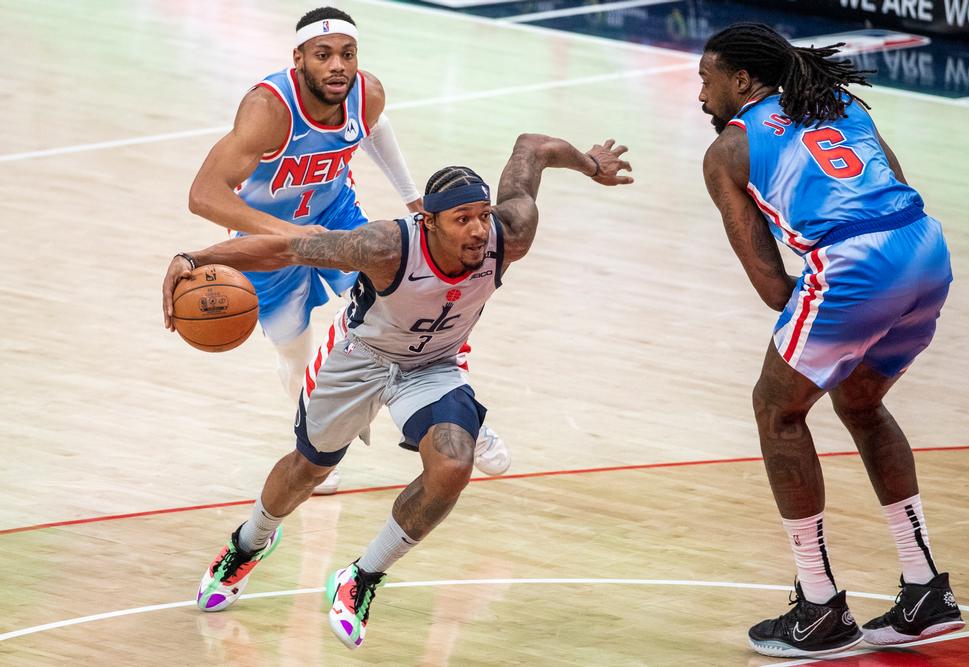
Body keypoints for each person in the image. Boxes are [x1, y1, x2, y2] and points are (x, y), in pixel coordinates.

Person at [162, 133, 633, 649]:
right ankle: (248, 544)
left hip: (433, 365)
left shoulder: (509, 235)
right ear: (429, 223)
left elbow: (532, 149)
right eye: (462, 220)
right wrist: (194, 256)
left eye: (482, 215)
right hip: (359, 360)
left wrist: (590, 165)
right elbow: (288, 246)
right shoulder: (385, 246)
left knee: (454, 464)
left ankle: (361, 577)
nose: (478, 230)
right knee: (309, 469)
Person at [698, 23, 964, 658]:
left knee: (776, 408)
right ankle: (925, 590)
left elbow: (770, 287)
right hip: (926, 249)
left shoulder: (728, 152)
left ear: (741, 80)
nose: (700, 95)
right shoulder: (839, 104)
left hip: (854, 264)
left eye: (705, 80)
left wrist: (833, 296)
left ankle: (819, 606)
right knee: (861, 403)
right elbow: (896, 187)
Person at [187, 6, 509, 492]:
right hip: (267, 233)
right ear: (298, 58)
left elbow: (374, 128)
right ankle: (316, 455)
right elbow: (204, 195)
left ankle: (466, 419)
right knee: (294, 350)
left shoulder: (366, 92)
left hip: (336, 217)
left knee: (410, 299)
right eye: (323, 55)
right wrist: (282, 235)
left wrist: (410, 195)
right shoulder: (269, 109)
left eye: (347, 54)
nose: (338, 65)